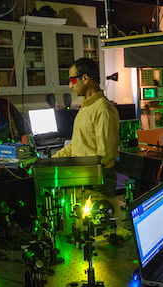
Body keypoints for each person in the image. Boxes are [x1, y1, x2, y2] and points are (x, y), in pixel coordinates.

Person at [52, 57, 120, 198]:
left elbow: (105, 157)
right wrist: (49, 163)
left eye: (72, 80)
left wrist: (78, 174)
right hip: (83, 181)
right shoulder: (85, 108)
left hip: (97, 185)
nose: (70, 86)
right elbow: (75, 146)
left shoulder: (103, 109)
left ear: (85, 78)